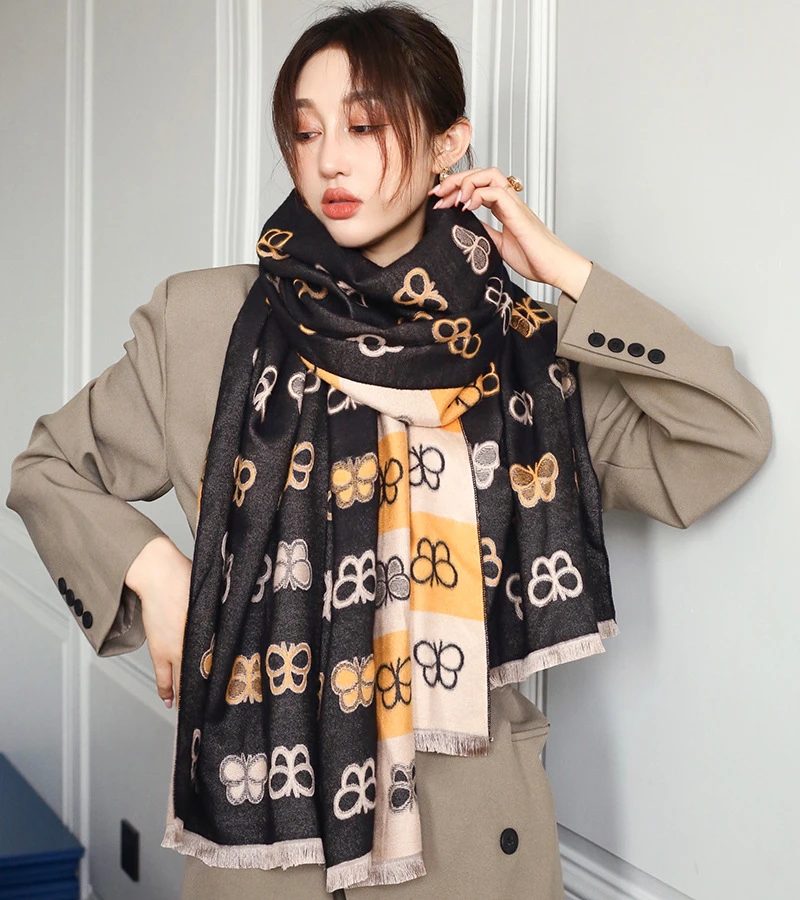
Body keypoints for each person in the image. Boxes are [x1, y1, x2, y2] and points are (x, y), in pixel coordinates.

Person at [6, 4, 771, 899]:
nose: (329, 159)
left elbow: (725, 436)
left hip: (465, 842)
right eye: (306, 131)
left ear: (451, 144)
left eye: (364, 126)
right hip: (270, 852)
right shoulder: (205, 324)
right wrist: (157, 571)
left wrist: (565, 273)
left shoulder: (525, 359)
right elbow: (47, 469)